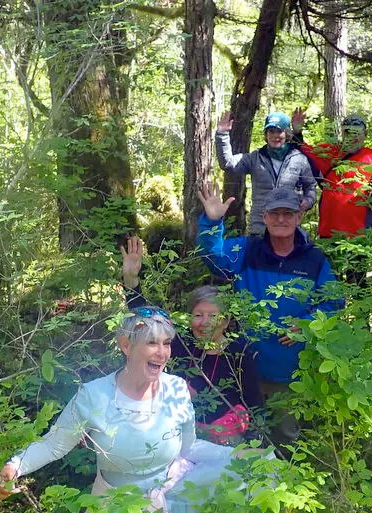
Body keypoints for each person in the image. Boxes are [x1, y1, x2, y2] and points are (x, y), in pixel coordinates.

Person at [0, 309, 239, 513]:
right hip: (114, 511)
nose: (162, 352)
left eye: (167, 343)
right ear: (126, 345)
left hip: (173, 499)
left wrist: (232, 456)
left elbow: (187, 447)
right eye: (151, 342)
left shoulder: (177, 389)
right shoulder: (94, 396)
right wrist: (15, 466)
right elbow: (54, 445)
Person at [196, 182, 342, 443]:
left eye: (288, 213)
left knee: (285, 434)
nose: (281, 219)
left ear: (299, 216)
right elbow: (212, 256)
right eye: (274, 213)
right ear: (264, 217)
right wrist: (211, 222)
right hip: (242, 365)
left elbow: (333, 302)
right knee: (241, 432)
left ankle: (284, 481)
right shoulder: (247, 250)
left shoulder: (314, 260)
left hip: (287, 371)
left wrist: (307, 325)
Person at [120, 236, 263, 445]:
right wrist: (131, 281)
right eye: (198, 315)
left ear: (225, 321)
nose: (204, 322)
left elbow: (254, 402)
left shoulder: (239, 353)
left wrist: (253, 438)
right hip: (178, 431)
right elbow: (147, 318)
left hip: (226, 437)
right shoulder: (180, 343)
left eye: (212, 316)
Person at [291, 108, 372, 239]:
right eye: (348, 132)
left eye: (357, 133)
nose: (352, 137)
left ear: (365, 134)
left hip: (359, 235)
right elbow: (301, 150)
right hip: (328, 232)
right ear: (342, 133)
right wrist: (297, 131)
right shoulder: (327, 152)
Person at [215, 110, 317, 235]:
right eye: (271, 131)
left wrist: (307, 202)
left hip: (289, 227)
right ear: (266, 134)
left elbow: (310, 187)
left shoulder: (299, 158)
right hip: (260, 228)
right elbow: (228, 164)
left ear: (287, 133)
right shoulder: (255, 158)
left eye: (279, 131)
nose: (275, 136)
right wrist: (222, 134)